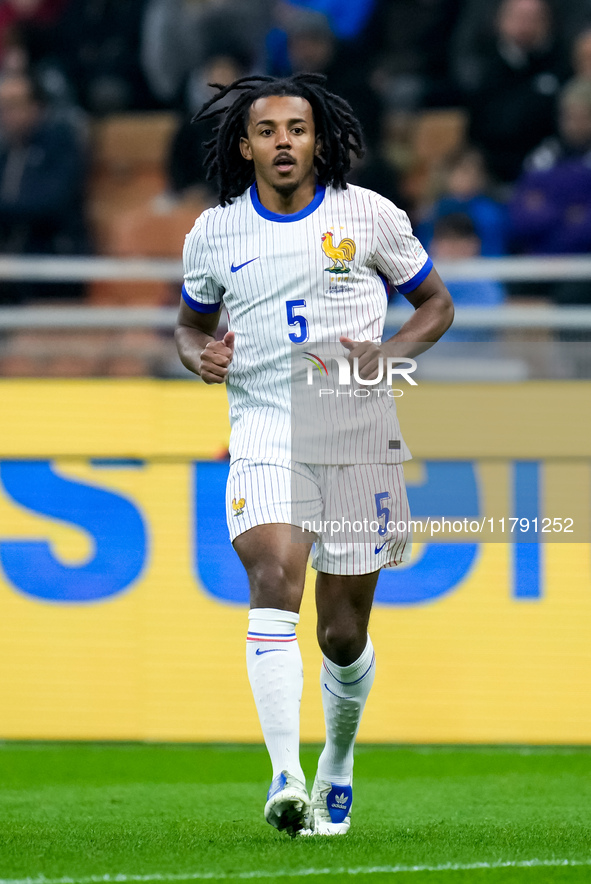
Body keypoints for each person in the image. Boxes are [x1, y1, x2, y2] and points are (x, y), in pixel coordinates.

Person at [175, 73, 453, 837]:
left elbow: (436, 303)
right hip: (263, 422)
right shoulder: (216, 233)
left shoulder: (368, 216)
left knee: (341, 633)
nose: (283, 142)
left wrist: (389, 352)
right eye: (266, 131)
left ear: (319, 138)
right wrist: (197, 354)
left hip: (354, 430)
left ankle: (336, 756)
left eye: (296, 128)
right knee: (273, 577)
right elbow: (189, 325)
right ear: (245, 145)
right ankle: (285, 775)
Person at [0, 70, 88, 304]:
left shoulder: (60, 143)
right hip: (11, 263)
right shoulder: (5, 153)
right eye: (2, 107)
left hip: (53, 257)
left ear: (36, 107)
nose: (5, 114)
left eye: (13, 105)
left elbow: (51, 203)